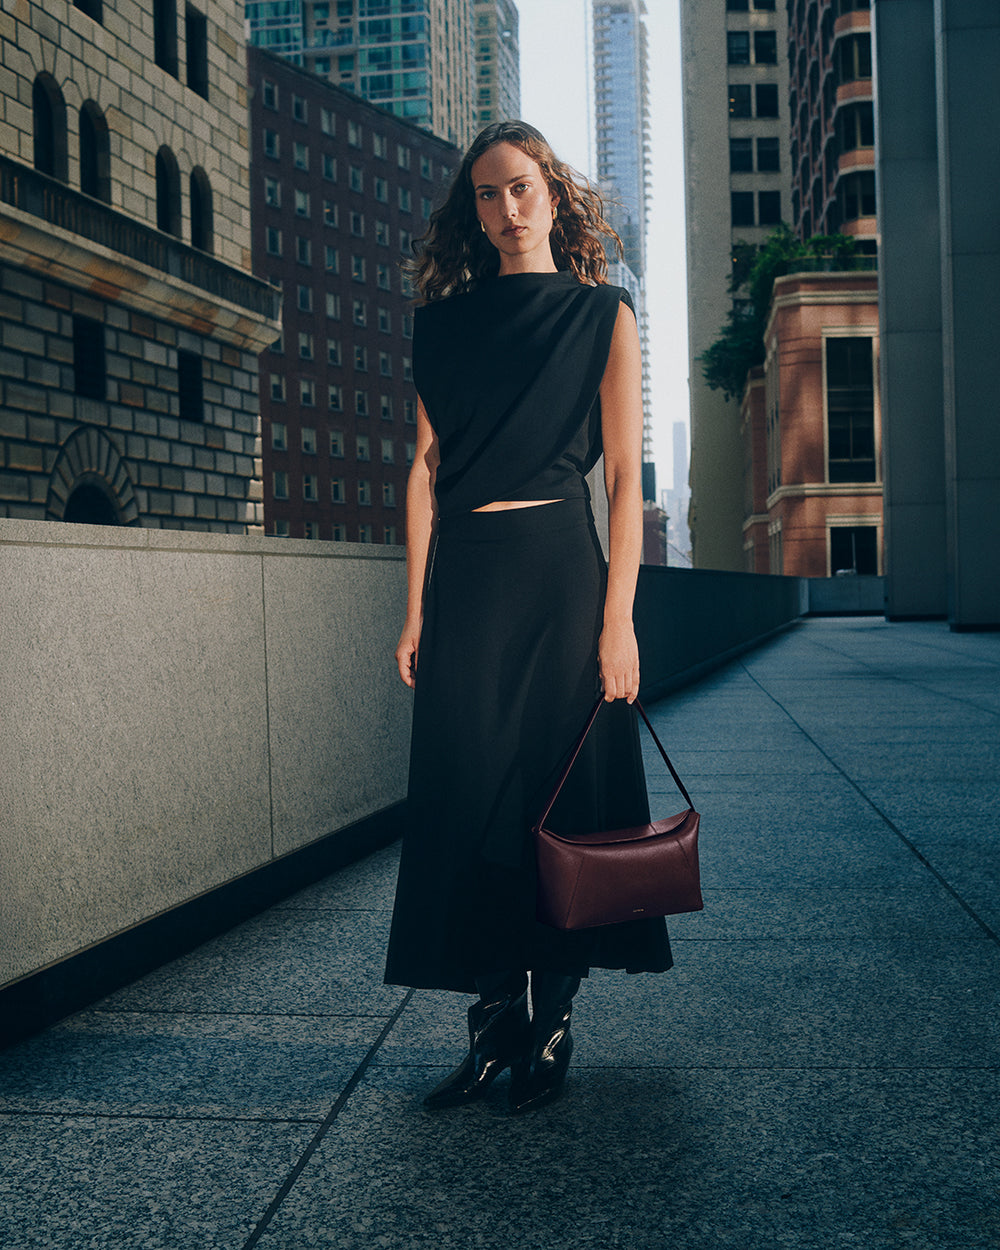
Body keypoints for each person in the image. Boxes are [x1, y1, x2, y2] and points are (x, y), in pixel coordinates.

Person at [384, 121, 672, 1115]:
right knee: (468, 799)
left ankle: (549, 1028)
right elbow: (422, 471)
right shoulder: (444, 322)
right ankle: (491, 1028)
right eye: (484, 195)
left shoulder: (603, 315)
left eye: (519, 188)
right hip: (466, 574)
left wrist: (618, 618)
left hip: (561, 573)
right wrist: (415, 604)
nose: (504, 210)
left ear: (552, 192)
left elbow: (629, 481)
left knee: (562, 797)